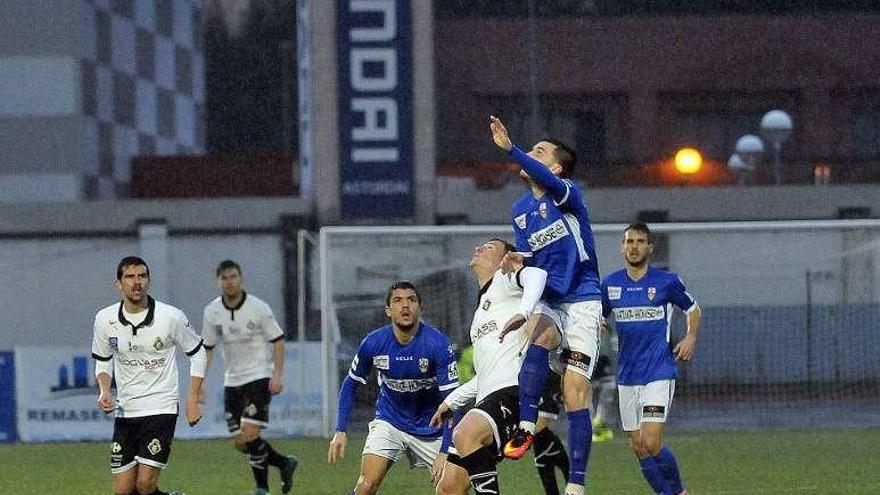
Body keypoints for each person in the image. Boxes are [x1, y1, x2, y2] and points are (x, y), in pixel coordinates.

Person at [490, 115, 603, 495]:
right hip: (553, 298)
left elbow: (550, 178)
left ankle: (577, 484)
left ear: (554, 167)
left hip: (584, 299)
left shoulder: (568, 193)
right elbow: (533, 257)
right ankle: (525, 426)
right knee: (535, 334)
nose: (531, 157)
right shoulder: (520, 210)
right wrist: (517, 260)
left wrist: (512, 149)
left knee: (574, 392)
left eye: (540, 152)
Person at [432, 238, 548, 495]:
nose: (478, 248)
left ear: (503, 261)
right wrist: (451, 402)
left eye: (489, 248)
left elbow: (538, 275)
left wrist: (524, 313)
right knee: (449, 488)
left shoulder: (505, 280)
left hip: (512, 393)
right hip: (487, 397)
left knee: (465, 434)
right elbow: (485, 373)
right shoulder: (480, 312)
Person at [327, 281, 459, 495]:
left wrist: (446, 451)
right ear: (388, 310)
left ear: (420, 308)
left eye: (411, 300)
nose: (405, 306)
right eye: (398, 301)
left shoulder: (438, 344)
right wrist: (340, 430)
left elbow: (454, 402)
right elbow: (351, 383)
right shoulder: (373, 343)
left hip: (432, 428)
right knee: (366, 485)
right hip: (390, 421)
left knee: (453, 489)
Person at [600, 223, 702, 495]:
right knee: (638, 446)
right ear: (622, 247)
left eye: (640, 241)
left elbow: (693, 310)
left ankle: (679, 492)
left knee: (652, 441)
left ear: (650, 247)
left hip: (658, 371)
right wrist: (597, 323)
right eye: (629, 241)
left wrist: (690, 337)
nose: (634, 246)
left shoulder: (667, 282)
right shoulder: (610, 285)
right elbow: (598, 315)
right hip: (627, 375)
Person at [91, 256, 206, 495]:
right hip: (126, 410)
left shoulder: (170, 317)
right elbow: (102, 361)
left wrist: (193, 399)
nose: (136, 282)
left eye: (142, 276)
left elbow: (198, 353)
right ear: (118, 284)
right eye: (130, 277)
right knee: (124, 490)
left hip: (160, 408)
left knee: (144, 484)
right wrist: (104, 390)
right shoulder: (104, 319)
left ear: (148, 281)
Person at [202, 260, 298, 495]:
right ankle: (284, 463)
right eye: (224, 278)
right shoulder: (211, 311)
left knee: (250, 434)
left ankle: (261, 489)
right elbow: (208, 347)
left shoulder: (259, 308)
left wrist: (277, 375)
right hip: (232, 381)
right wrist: (200, 381)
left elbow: (278, 340)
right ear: (218, 282)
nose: (229, 282)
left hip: (258, 376)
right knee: (240, 442)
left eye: (233, 276)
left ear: (241, 279)